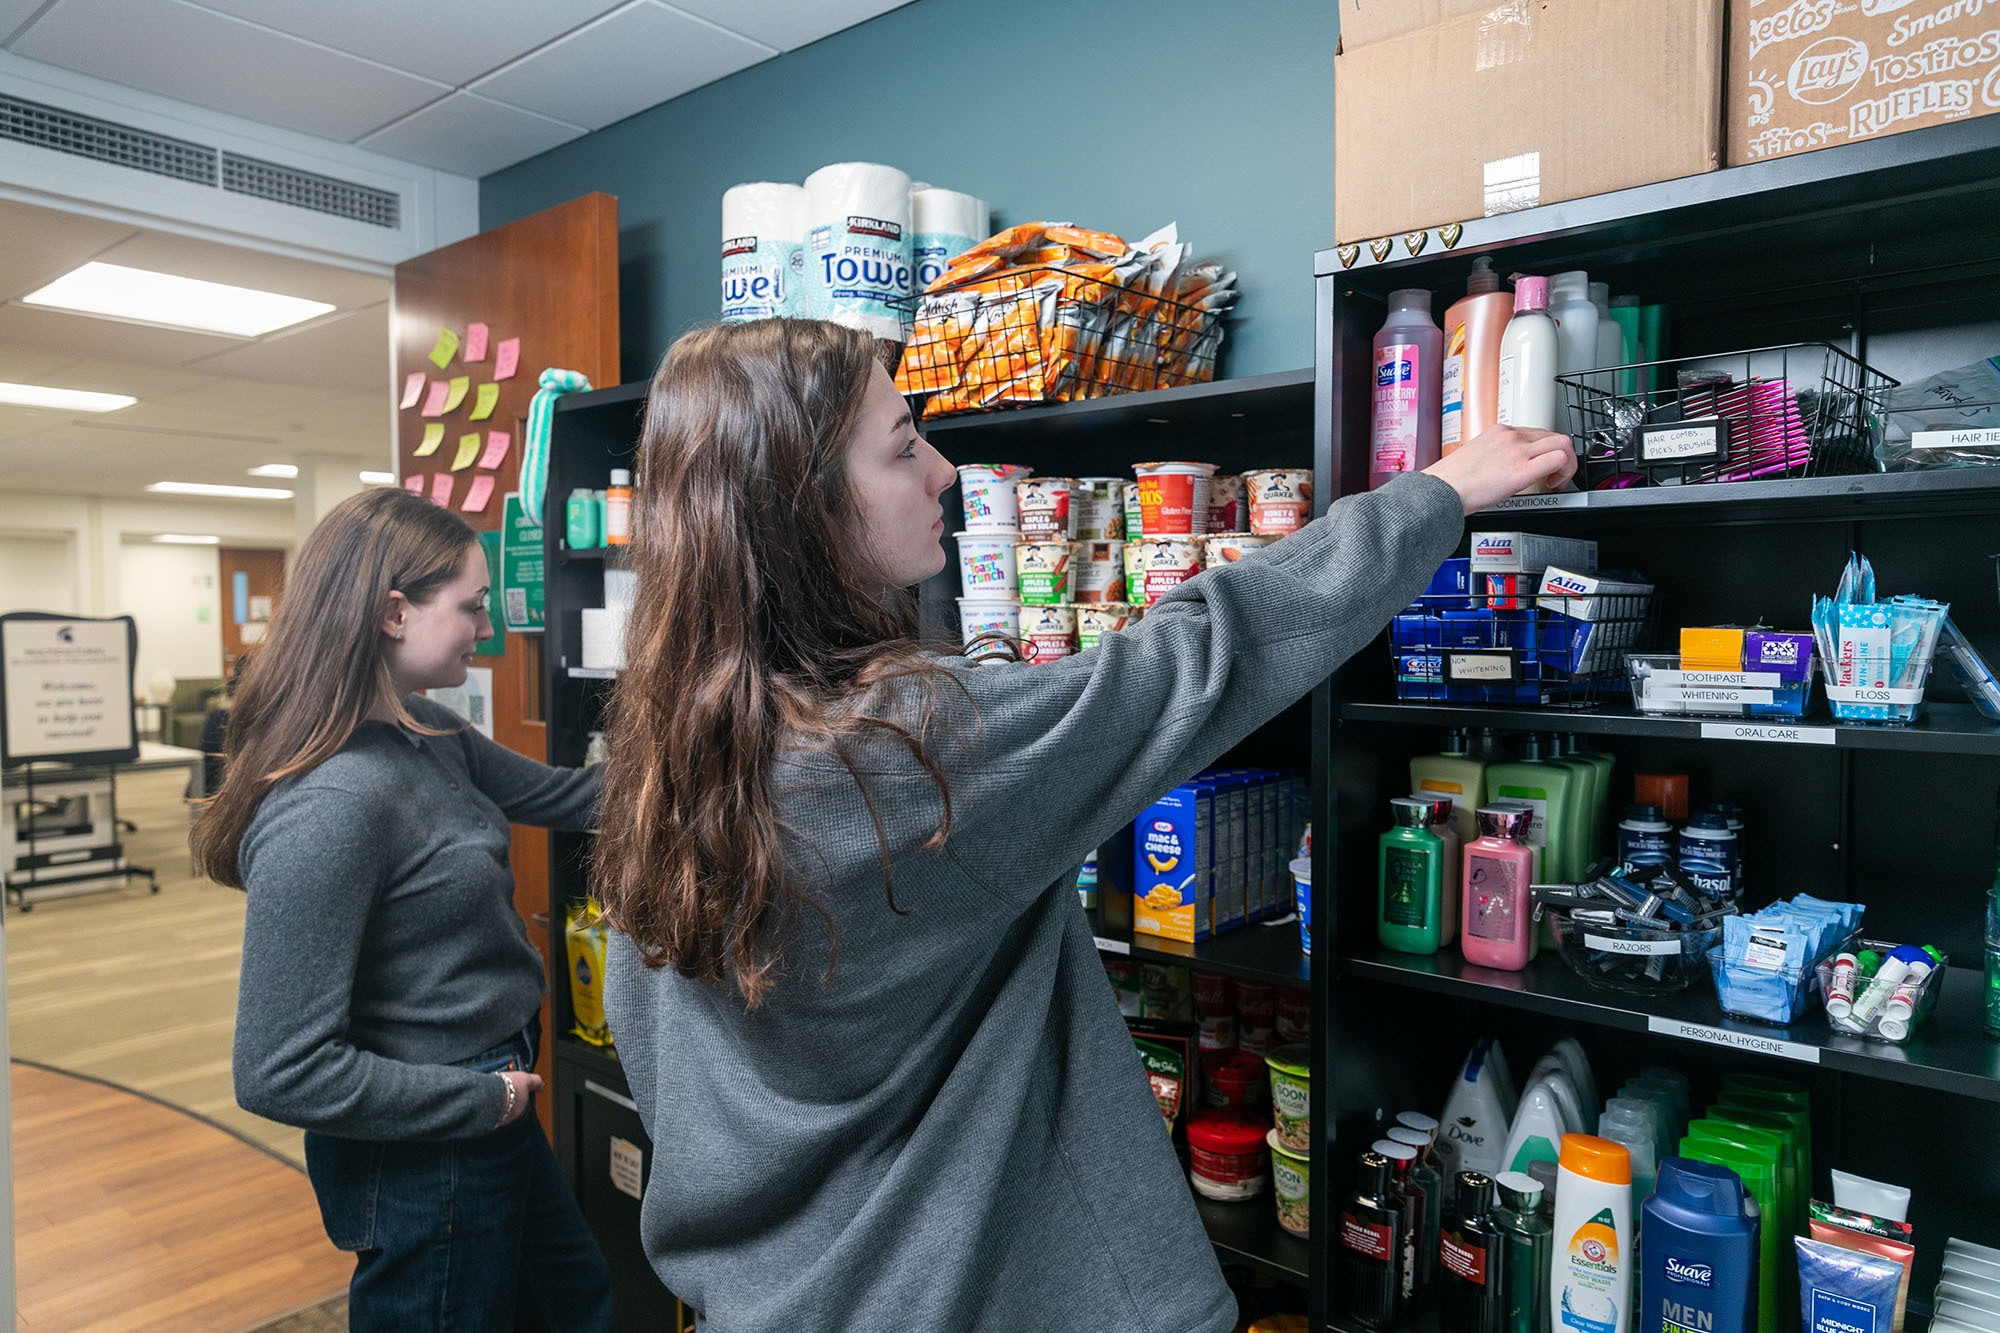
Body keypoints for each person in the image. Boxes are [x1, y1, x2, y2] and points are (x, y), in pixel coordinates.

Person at [593, 319, 1573, 1332]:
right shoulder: (904, 753)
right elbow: (1197, 655)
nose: (941, 468)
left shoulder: (666, 744)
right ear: (796, 506)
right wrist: (1435, 494)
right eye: (900, 445)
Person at [190, 488, 614, 1332]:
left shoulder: (426, 727)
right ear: (393, 612)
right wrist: (478, 1101)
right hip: (433, 1143)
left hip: (489, 1098)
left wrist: (723, 734)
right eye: (472, 606)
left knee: (576, 1307)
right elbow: (278, 1068)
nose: (486, 628)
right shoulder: (333, 802)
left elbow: (575, 796)